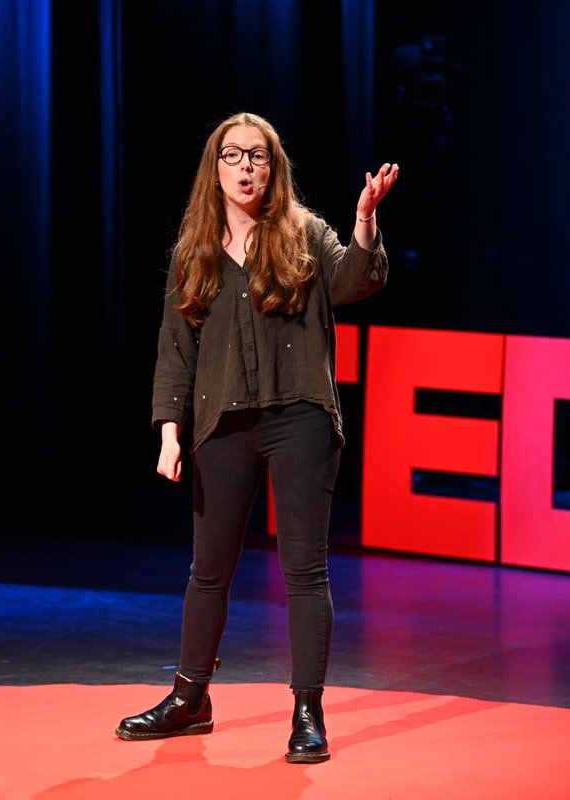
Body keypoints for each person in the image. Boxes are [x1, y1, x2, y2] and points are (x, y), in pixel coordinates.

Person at [115, 111, 399, 764]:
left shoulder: (302, 233)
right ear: (214, 168)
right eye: (234, 155)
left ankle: (307, 710)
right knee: (208, 569)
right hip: (222, 425)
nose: (247, 166)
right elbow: (175, 347)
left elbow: (357, 280)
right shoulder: (196, 248)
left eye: (259, 156)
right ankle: (190, 698)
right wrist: (169, 431)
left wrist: (364, 221)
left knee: (304, 570)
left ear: (274, 169)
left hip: (298, 417)